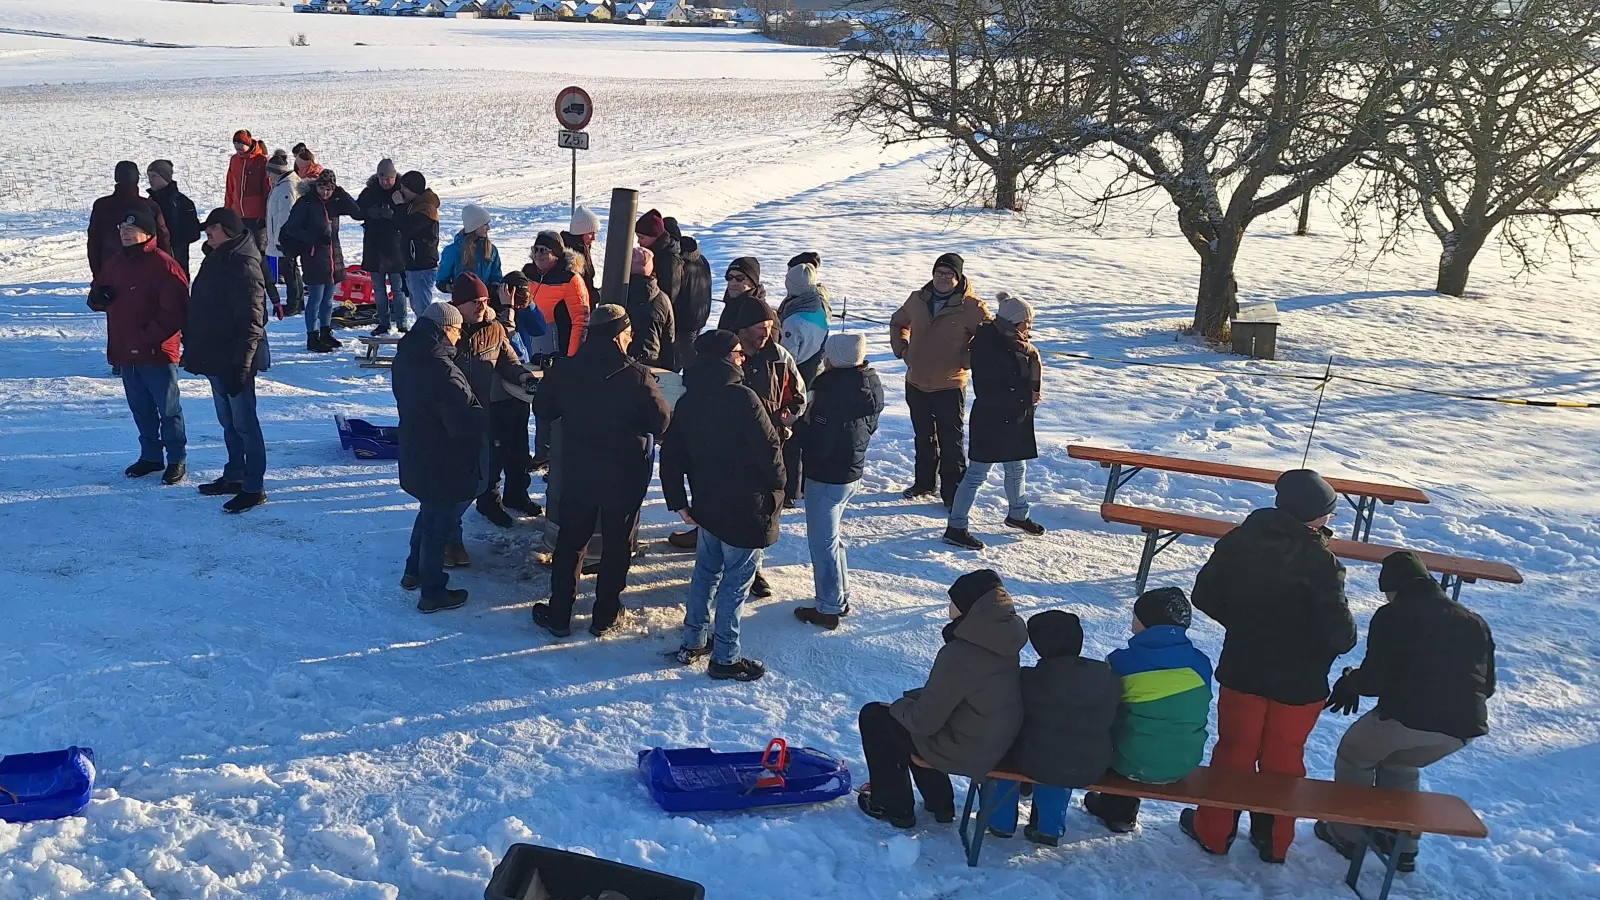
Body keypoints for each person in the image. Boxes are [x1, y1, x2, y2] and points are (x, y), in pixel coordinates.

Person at [1182, 469, 1357, 863]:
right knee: (1283, 761)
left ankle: (1214, 832)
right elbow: (1341, 636)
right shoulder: (1320, 560)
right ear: (1312, 516)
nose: (1330, 519)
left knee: (1233, 754)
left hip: (1244, 669)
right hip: (1300, 683)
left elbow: (1205, 594)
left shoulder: (1240, 539)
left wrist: (1243, 623)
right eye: (1329, 512)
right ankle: (1274, 841)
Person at [1315, 551, 1495, 871]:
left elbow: (1373, 679)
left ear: (1393, 588)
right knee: (1400, 765)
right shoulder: (1472, 619)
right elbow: (1488, 686)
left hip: (1408, 717)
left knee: (1355, 753)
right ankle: (1402, 843)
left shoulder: (1393, 614)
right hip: (1463, 727)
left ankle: (1347, 833)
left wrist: (1349, 681)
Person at [530, 304, 671, 639]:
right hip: (625, 474)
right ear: (619, 335)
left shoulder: (566, 370)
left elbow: (543, 409)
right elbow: (662, 422)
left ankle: (560, 613)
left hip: (580, 470)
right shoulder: (636, 375)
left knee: (571, 542)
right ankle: (605, 615)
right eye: (628, 333)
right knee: (617, 544)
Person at [856, 569, 1027, 828]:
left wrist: (900, 706)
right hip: (992, 738)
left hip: (967, 748)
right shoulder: (1002, 638)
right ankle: (940, 805)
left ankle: (893, 807)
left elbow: (924, 722)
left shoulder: (960, 653)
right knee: (905, 720)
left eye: (953, 602)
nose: (948, 606)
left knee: (876, 718)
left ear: (970, 608)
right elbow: (968, 692)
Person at [661, 330, 785, 682]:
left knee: (705, 574)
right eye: (737, 352)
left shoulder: (689, 399)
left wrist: (679, 502)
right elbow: (771, 452)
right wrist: (777, 493)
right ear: (725, 357)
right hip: (746, 508)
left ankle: (693, 640)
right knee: (735, 584)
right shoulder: (743, 398)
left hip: (708, 506)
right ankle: (726, 657)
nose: (743, 357)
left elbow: (672, 455)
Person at [981, 611, 1121, 846]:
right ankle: (1049, 827)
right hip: (1091, 763)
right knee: (1064, 753)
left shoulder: (1028, 680)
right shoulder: (1106, 677)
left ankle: (1001, 823)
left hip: (1037, 760)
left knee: (1006, 755)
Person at [1082, 587, 1214, 835]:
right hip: (1183, 761)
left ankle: (1119, 812)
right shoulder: (1200, 663)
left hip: (1129, 762)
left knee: (1120, 729)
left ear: (1148, 624)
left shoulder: (1122, 663)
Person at [393, 301, 487, 613]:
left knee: (428, 513)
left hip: (417, 450)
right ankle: (432, 590)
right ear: (446, 328)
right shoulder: (441, 369)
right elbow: (460, 424)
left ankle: (413, 571)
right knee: (438, 524)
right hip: (442, 458)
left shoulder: (408, 354)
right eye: (458, 331)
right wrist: (481, 416)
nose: (460, 338)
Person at [712, 288, 804, 597]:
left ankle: (754, 569)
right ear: (742, 328)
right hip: (726, 446)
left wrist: (790, 413)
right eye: (759, 328)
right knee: (724, 505)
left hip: (768, 446)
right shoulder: (724, 353)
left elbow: (797, 393)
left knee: (761, 512)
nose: (766, 334)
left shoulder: (779, 356)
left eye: (770, 328)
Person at [88, 206, 188, 484]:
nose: (126, 234)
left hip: (156, 352)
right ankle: (151, 456)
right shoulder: (115, 262)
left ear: (148, 233)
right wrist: (99, 297)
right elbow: (95, 295)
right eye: (123, 230)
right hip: (125, 350)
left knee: (168, 409)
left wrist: (146, 338)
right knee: (140, 408)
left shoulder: (164, 265)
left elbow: (175, 313)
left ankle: (176, 458)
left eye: (132, 230)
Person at [181, 208, 271, 514]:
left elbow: (253, 321)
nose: (207, 234)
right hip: (215, 355)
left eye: (212, 230)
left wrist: (242, 365)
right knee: (229, 422)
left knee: (245, 423)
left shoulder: (243, 263)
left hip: (235, 359)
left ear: (228, 231)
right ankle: (235, 474)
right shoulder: (218, 255)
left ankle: (254, 486)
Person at [793, 333, 883, 631]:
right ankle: (840, 595)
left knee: (822, 544)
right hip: (851, 472)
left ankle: (829, 606)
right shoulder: (870, 381)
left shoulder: (831, 391)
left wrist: (794, 427)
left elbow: (820, 440)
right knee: (832, 539)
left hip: (827, 475)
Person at [944, 292, 1044, 549]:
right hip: (992, 418)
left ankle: (1018, 514)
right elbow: (991, 390)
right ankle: (956, 526)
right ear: (1012, 322)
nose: (1029, 327)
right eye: (1026, 322)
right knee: (977, 473)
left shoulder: (1013, 340)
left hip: (1013, 416)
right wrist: (1025, 396)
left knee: (1016, 468)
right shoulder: (989, 344)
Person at [889, 253, 989, 508]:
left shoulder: (972, 306)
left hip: (949, 384)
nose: (943, 278)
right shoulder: (918, 298)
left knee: (951, 442)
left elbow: (988, 340)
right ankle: (924, 483)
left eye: (949, 274)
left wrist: (966, 359)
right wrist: (903, 350)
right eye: (939, 272)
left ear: (958, 277)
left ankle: (953, 494)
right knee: (923, 437)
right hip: (916, 381)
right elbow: (899, 322)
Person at [446, 274, 538, 528]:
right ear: (458, 304)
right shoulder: (448, 331)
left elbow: (509, 360)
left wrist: (523, 376)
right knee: (470, 468)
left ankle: (503, 497)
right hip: (457, 411)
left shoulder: (494, 328)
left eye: (485, 300)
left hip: (486, 407)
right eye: (475, 301)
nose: (482, 306)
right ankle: (471, 515)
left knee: (503, 454)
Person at [280, 169, 360, 353]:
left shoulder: (334, 202)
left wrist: (340, 192)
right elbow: (292, 228)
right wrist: (313, 238)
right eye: (322, 188)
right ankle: (312, 336)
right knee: (315, 299)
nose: (325, 192)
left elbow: (356, 211)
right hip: (314, 256)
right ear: (316, 186)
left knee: (328, 301)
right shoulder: (306, 202)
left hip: (333, 257)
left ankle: (325, 332)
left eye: (329, 189)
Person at [777, 254, 832, 501]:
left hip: (796, 380)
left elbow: (787, 356)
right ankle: (803, 484)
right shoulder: (819, 304)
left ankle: (790, 489)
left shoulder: (795, 320)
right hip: (814, 375)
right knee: (804, 435)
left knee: (791, 437)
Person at [88, 161, 172, 280]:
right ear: (137, 178)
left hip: (109, 269)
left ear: (116, 177)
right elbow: (163, 238)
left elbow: (94, 242)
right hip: (144, 270)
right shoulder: (150, 206)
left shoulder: (101, 205)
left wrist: (98, 274)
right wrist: (167, 265)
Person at [357, 159, 410, 335]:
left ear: (394, 177)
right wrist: (369, 212)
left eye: (388, 179)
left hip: (394, 247)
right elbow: (356, 210)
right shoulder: (370, 192)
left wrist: (394, 215)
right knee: (379, 289)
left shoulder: (401, 192)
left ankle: (402, 322)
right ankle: (383, 322)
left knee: (398, 288)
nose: (385, 182)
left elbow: (410, 215)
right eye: (382, 179)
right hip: (373, 246)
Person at [525, 231, 590, 360]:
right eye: (535, 249)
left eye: (543, 250)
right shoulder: (528, 273)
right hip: (529, 345)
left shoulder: (569, 278)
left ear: (555, 254)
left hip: (558, 350)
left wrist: (571, 358)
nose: (538, 254)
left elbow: (581, 321)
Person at [145, 160, 200, 280]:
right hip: (151, 261)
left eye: (154, 175)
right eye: (148, 176)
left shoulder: (182, 202)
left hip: (176, 261)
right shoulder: (149, 201)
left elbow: (194, 234)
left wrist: (172, 241)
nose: (150, 180)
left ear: (165, 177)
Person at [264, 150, 303, 317]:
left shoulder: (286, 187)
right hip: (283, 237)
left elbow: (285, 216)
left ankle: (295, 303)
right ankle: (296, 301)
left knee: (290, 269)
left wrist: (281, 238)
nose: (268, 176)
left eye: (269, 172)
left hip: (285, 238)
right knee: (289, 269)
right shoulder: (281, 184)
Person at [397, 171, 441, 318]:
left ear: (413, 189)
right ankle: (422, 335)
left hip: (422, 265)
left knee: (423, 308)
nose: (401, 191)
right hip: (413, 264)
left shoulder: (426, 209)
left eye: (404, 188)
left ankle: (427, 337)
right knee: (416, 305)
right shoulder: (414, 205)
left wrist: (400, 206)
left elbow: (406, 227)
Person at [624, 246, 676, 371]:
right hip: (651, 363)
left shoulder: (618, 293)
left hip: (621, 363)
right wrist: (668, 369)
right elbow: (669, 337)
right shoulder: (663, 299)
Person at [671, 222, 713, 372]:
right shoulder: (701, 259)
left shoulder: (678, 263)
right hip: (700, 317)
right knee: (689, 358)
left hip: (684, 321)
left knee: (682, 363)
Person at [437, 203, 502, 294]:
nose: (488, 228)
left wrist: (494, 288)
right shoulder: (453, 251)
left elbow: (496, 276)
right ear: (474, 227)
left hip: (486, 301)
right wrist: (453, 288)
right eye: (485, 224)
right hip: (463, 303)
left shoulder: (491, 249)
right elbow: (441, 281)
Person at [224, 131, 271, 258]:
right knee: (239, 249)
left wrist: (266, 214)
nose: (238, 149)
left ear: (248, 144)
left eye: (240, 145)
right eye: (235, 145)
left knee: (257, 250)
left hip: (256, 216)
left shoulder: (262, 160)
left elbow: (267, 188)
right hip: (237, 213)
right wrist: (227, 209)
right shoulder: (234, 160)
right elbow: (230, 186)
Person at [635, 208, 681, 309]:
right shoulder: (652, 251)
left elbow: (670, 294)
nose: (638, 242)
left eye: (641, 237)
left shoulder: (669, 258)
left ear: (654, 236)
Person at [561, 205, 600, 299]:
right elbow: (578, 289)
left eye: (595, 233)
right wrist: (596, 295)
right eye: (590, 233)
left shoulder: (583, 248)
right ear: (580, 233)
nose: (594, 238)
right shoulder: (571, 257)